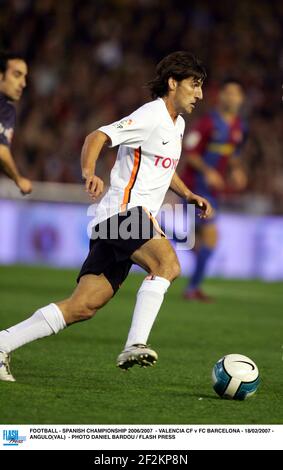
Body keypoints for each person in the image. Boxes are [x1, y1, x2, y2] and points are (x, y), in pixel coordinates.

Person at [0, 51, 212, 382]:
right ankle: (135, 343)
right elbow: (96, 137)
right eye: (194, 85)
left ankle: (2, 344)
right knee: (167, 266)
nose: (199, 94)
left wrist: (187, 194)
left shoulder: (177, 124)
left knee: (84, 305)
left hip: (114, 221)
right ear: (173, 83)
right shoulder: (151, 114)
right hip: (124, 213)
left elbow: (164, 165)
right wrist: (89, 172)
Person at [181, 78, 247, 301]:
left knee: (201, 244)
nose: (232, 98)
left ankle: (165, 233)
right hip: (194, 188)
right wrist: (208, 172)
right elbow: (190, 153)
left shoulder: (239, 127)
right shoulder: (207, 123)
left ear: (241, 99)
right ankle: (192, 289)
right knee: (211, 238)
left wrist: (236, 170)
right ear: (221, 97)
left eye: (236, 94)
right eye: (227, 93)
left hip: (213, 192)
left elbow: (233, 154)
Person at [0, 51, 32, 195]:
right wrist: (18, 179)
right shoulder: (4, 109)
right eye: (17, 75)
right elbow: (1, 150)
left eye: (24, 77)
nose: (23, 83)